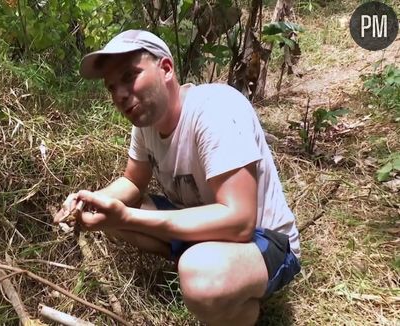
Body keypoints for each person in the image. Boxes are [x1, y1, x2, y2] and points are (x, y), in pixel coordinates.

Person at [54, 29, 301, 326]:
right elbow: (133, 183)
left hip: (264, 241)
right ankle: (200, 265)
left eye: (130, 76)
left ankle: (238, 306)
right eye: (112, 87)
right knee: (111, 211)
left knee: (199, 277)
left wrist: (125, 218)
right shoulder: (146, 124)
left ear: (166, 69)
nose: (120, 94)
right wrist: (88, 202)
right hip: (207, 226)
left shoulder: (214, 110)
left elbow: (239, 222)